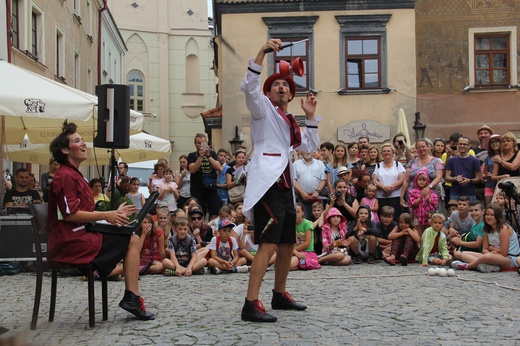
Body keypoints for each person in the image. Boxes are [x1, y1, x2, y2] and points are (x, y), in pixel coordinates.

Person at [240, 39, 320, 322]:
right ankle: (251, 303)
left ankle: (279, 293)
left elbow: (310, 149)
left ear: (290, 94)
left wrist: (311, 117)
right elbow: (249, 87)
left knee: (287, 244)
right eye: (275, 85)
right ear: (268, 92)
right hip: (268, 184)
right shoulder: (262, 109)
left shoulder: (291, 122)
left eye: (285, 85)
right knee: (268, 243)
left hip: (286, 185)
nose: (281, 87)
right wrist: (261, 52)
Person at [47, 121, 154, 320]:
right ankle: (132, 297)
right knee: (132, 240)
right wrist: (106, 215)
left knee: (129, 235)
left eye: (82, 140)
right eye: (77, 141)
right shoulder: (65, 176)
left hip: (79, 234)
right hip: (70, 241)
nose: (83, 144)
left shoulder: (73, 174)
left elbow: (81, 212)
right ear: (64, 149)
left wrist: (113, 213)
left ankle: (132, 296)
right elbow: (70, 214)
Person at [451, 204, 520, 272]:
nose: (489, 217)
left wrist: (491, 249)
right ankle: (487, 266)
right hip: (494, 255)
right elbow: (484, 249)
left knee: (488, 257)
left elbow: (504, 253)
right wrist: (490, 251)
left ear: (498, 216)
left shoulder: (503, 228)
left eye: (492, 215)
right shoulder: (487, 228)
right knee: (464, 254)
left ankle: (468, 266)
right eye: (487, 214)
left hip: (510, 258)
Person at [400, 139, 444, 211]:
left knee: (432, 218)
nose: (421, 149)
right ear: (416, 149)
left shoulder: (436, 161)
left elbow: (439, 177)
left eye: (423, 146)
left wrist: (428, 187)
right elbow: (406, 181)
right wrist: (401, 198)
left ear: (428, 147)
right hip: (414, 197)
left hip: (431, 196)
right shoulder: (412, 162)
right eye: (419, 147)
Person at [372, 143, 405, 221]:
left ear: (393, 153)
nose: (386, 153)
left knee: (395, 217)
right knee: (383, 218)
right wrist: (384, 188)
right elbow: (375, 180)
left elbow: (401, 179)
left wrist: (390, 189)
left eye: (388, 151)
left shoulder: (397, 165)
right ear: (382, 154)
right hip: (381, 196)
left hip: (395, 196)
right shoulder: (378, 166)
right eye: (384, 151)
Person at [445, 136, 482, 201]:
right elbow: (447, 177)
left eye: (464, 144)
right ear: (457, 145)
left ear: (469, 146)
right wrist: (455, 178)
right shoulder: (451, 160)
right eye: (460, 144)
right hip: (455, 192)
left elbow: (478, 178)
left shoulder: (475, 160)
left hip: (470, 193)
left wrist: (469, 180)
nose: (462, 146)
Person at [293, 150, 327, 219]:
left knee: (319, 220)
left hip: (317, 197)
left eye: (309, 150)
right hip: (302, 197)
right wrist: (302, 192)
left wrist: (317, 191)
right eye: (305, 150)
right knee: (304, 219)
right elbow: (293, 180)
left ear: (313, 152)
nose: (307, 152)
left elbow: (324, 179)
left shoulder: (320, 164)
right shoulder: (296, 164)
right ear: (301, 151)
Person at [408, 170, 439, 235]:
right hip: (417, 216)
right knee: (419, 233)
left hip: (429, 217)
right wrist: (420, 198)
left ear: (427, 181)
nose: (421, 182)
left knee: (428, 233)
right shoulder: (413, 192)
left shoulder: (431, 192)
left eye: (424, 180)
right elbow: (412, 203)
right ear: (416, 180)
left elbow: (435, 203)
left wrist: (428, 200)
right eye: (420, 179)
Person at [289, 203, 316, 270]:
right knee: (279, 263)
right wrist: (294, 251)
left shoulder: (307, 224)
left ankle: (303, 263)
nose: (296, 214)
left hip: (306, 252)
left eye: (298, 212)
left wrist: (294, 250)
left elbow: (307, 243)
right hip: (292, 251)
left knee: (288, 265)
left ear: (303, 213)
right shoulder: (289, 224)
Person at [482, 134, 501, 205]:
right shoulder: (488, 158)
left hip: (501, 186)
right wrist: (486, 175)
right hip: (490, 186)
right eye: (492, 143)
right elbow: (483, 174)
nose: (494, 144)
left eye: (496, 142)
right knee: (489, 207)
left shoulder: (505, 156)